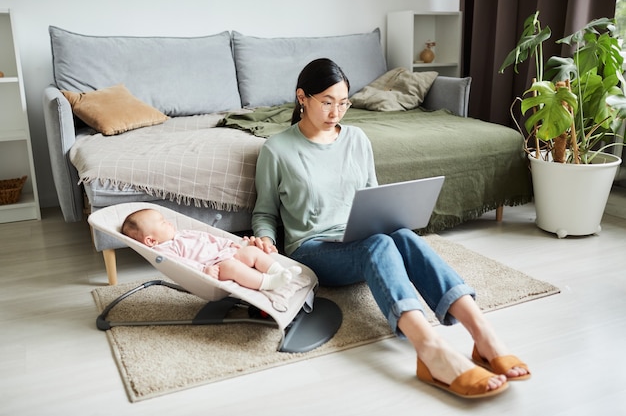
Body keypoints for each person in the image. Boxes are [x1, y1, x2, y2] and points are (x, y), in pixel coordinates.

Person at [247, 58, 530, 399]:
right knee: (379, 245)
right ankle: (430, 349)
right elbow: (265, 212)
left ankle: (483, 335)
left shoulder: (357, 139)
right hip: (313, 247)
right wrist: (265, 239)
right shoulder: (277, 150)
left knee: (402, 235)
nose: (336, 112)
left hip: (359, 234)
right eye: (327, 102)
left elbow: (374, 197)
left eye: (343, 103)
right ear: (302, 98)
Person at [121, 208, 300, 291]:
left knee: (252, 252)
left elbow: (209, 238)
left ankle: (281, 271)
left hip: (224, 252)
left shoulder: (183, 234)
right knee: (233, 267)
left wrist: (229, 245)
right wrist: (203, 270)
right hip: (213, 266)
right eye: (162, 223)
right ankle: (269, 282)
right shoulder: (165, 249)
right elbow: (182, 264)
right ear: (151, 240)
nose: (168, 222)